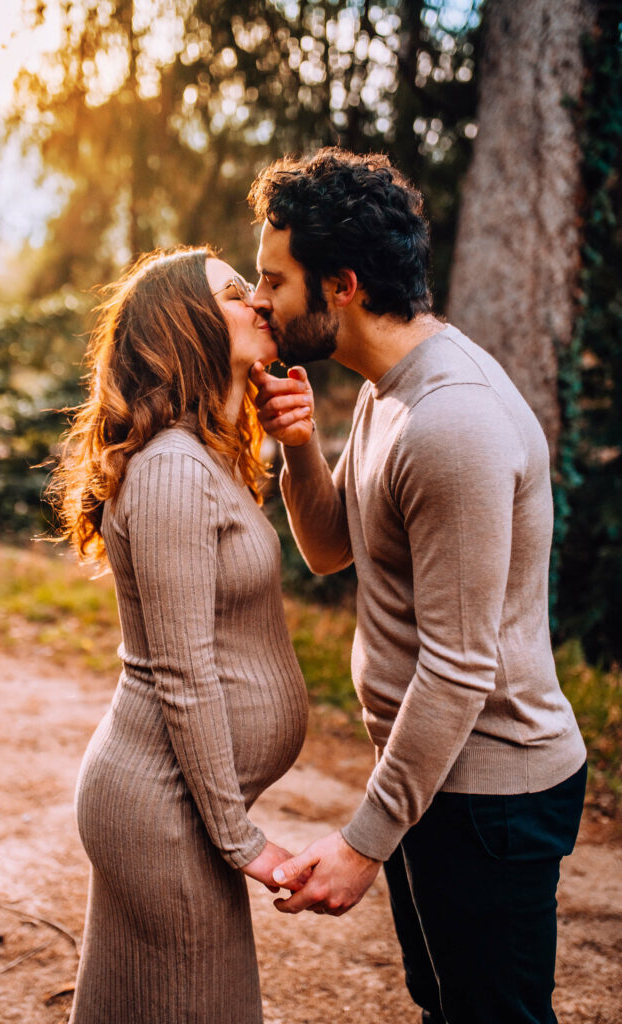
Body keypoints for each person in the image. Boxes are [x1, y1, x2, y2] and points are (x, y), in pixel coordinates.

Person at [247, 148, 588, 1024]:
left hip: (490, 794)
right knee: (444, 1007)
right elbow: (330, 549)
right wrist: (297, 444)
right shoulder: (384, 388)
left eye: (273, 280)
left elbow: (459, 666)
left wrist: (364, 843)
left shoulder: (450, 421)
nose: (258, 302)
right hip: (439, 778)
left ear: (342, 285)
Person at [49, 246, 309, 1024]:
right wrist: (242, 841)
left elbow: (329, 547)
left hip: (174, 809)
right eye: (235, 294)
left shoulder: (208, 460)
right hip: (165, 813)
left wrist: (289, 436)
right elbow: (182, 673)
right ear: (188, 327)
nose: (260, 303)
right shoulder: (170, 472)